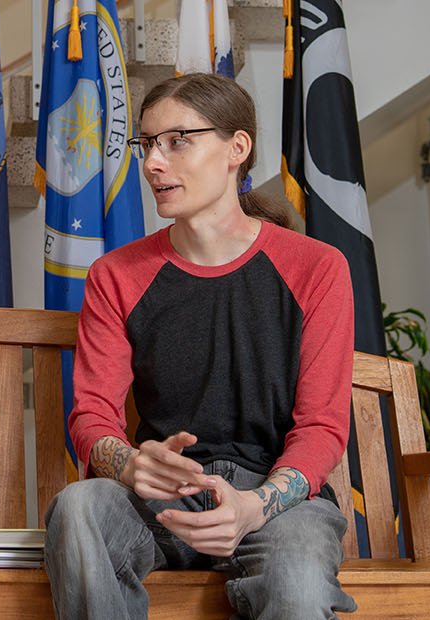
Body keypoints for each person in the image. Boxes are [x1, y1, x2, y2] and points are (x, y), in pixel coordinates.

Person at [43, 72, 359, 619]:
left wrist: (253, 507)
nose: (153, 163)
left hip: (278, 499)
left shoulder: (318, 268)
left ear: (237, 148)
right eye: (146, 144)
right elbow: (92, 415)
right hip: (163, 494)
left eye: (177, 140)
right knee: (78, 508)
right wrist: (129, 466)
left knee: (300, 589)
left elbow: (322, 427)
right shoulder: (114, 276)